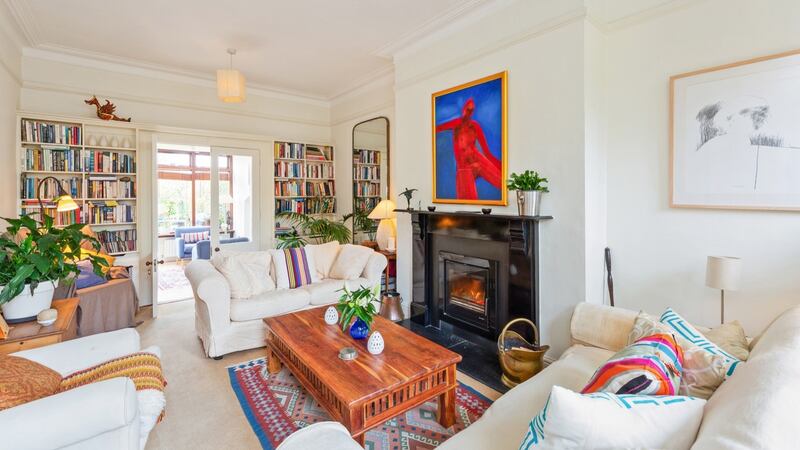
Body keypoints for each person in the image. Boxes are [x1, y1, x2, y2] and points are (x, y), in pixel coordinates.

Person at [436, 98, 502, 199]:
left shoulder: (475, 126)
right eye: (468, 109)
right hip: (463, 165)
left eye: (471, 110)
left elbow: (486, 150)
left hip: (476, 158)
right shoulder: (457, 123)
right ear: (464, 110)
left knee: (500, 180)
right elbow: (438, 128)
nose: (469, 112)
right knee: (467, 198)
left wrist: (500, 165)